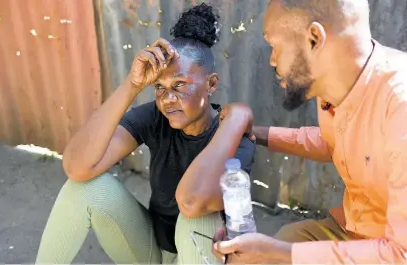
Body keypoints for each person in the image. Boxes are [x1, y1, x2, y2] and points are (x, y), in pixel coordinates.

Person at [36, 3, 255, 264]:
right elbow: (78, 167)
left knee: (198, 217)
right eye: (159, 87)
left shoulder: (235, 138)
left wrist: (235, 120)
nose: (168, 99)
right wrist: (132, 85)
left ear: (211, 84)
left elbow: (192, 201)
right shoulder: (156, 116)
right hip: (151, 251)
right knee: (85, 187)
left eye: (180, 85)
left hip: (199, 254)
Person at [212, 0, 407, 264]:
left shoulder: (400, 103)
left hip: (391, 249)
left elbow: (400, 253)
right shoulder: (334, 87)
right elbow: (335, 142)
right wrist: (258, 133)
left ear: (314, 39)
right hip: (354, 230)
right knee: (274, 246)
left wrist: (279, 253)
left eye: (274, 45)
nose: (271, 60)